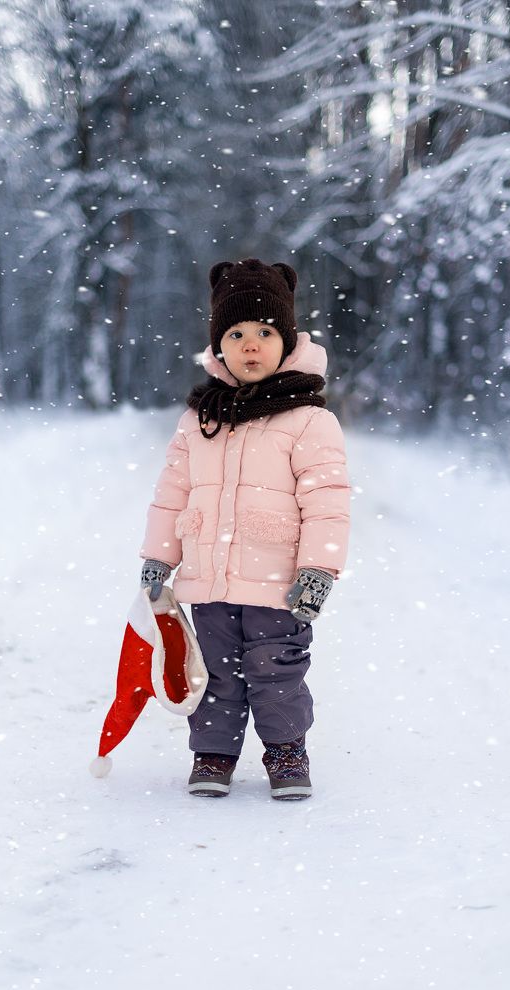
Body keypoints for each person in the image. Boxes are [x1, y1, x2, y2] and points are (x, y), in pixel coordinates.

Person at [139, 258, 351, 800]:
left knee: (275, 669)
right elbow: (172, 494)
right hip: (208, 576)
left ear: (287, 341)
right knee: (213, 671)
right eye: (236, 333)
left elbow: (328, 502)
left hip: (278, 582)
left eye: (264, 332)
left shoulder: (308, 419)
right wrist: (159, 557)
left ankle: (285, 750)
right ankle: (214, 753)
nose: (250, 344)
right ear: (218, 345)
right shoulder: (199, 419)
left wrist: (318, 569)